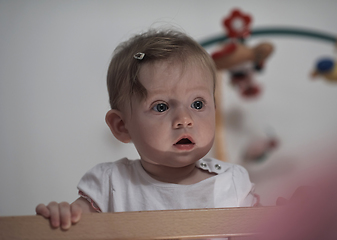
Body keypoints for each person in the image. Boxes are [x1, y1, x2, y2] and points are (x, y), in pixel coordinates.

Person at [35, 29, 259, 230]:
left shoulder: (232, 183)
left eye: (198, 104)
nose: (184, 119)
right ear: (122, 126)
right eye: (160, 107)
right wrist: (63, 218)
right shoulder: (111, 185)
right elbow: (77, 228)